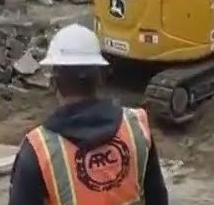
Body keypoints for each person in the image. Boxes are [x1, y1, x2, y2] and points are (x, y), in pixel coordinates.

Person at [9, 24, 169, 205]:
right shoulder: (137, 127)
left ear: (53, 83)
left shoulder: (38, 151)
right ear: (101, 78)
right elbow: (158, 198)